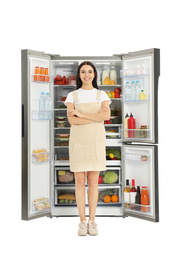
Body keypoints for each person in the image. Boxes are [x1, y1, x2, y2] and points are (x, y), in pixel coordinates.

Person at [64, 61, 112, 236]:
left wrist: (82, 114)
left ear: (94, 74)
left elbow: (106, 116)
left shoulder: (102, 95)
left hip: (96, 142)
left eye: (90, 71)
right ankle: (82, 222)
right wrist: (96, 117)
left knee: (93, 183)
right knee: (79, 182)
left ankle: (92, 221)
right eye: (83, 72)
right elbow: (72, 121)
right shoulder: (72, 96)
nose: (86, 75)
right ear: (79, 74)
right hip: (79, 143)